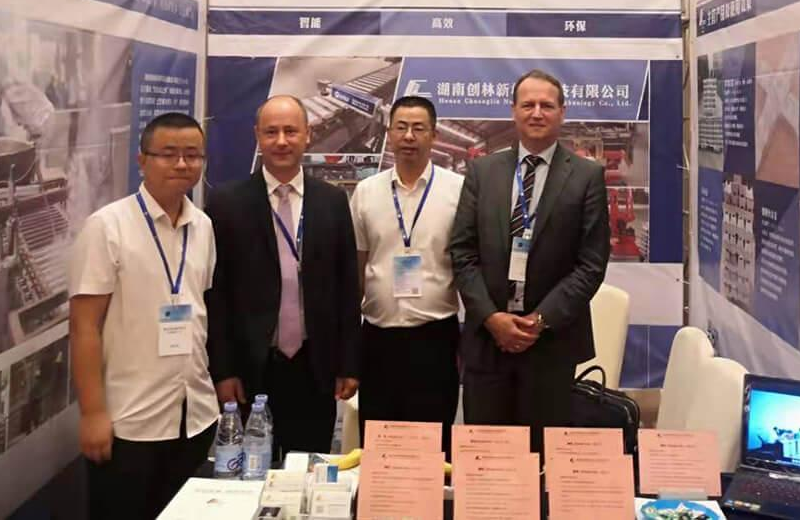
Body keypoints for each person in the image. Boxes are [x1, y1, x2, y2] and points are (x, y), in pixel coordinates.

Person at [448, 69, 610, 455]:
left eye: (546, 105)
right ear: (514, 111)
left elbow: (591, 263)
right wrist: (492, 318)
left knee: (541, 457)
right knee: (485, 455)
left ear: (562, 113)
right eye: (528, 105)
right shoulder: (483, 171)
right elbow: (462, 252)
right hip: (488, 342)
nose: (537, 113)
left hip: (551, 345)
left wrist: (538, 321)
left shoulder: (587, 176)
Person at [69, 112, 218, 520]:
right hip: (129, 422)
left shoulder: (203, 227)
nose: (182, 164)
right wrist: (93, 413)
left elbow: (200, 308)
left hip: (194, 415)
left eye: (193, 155)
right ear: (142, 160)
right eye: (168, 154)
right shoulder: (107, 227)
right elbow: (83, 327)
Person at [205, 95, 360, 459]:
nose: (281, 141)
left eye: (291, 131)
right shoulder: (227, 204)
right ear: (257, 136)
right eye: (271, 132)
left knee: (309, 467)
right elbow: (217, 296)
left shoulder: (332, 201)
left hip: (315, 364)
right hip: (251, 367)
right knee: (249, 471)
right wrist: (223, 370)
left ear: (308, 134)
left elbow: (347, 289)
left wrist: (348, 364)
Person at [350, 96, 463, 457]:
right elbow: (358, 263)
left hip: (435, 337)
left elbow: (467, 264)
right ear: (389, 133)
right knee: (380, 443)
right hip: (378, 337)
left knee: (433, 445)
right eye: (401, 127)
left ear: (433, 135)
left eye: (418, 128)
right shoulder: (367, 192)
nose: (409, 136)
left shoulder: (458, 190)